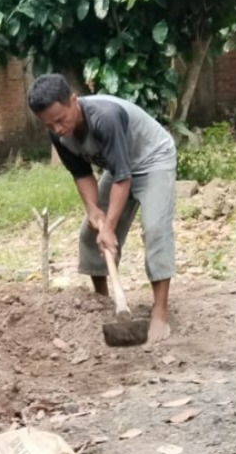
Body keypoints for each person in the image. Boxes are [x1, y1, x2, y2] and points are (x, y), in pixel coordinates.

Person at [27, 74, 178, 343]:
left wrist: (109, 227)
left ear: (74, 100)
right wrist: (94, 210)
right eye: (49, 124)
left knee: (155, 229)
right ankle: (103, 303)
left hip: (152, 159)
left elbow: (123, 177)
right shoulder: (58, 134)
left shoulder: (103, 118)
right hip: (119, 167)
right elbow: (81, 173)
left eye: (61, 119)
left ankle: (160, 312)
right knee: (89, 235)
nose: (58, 128)